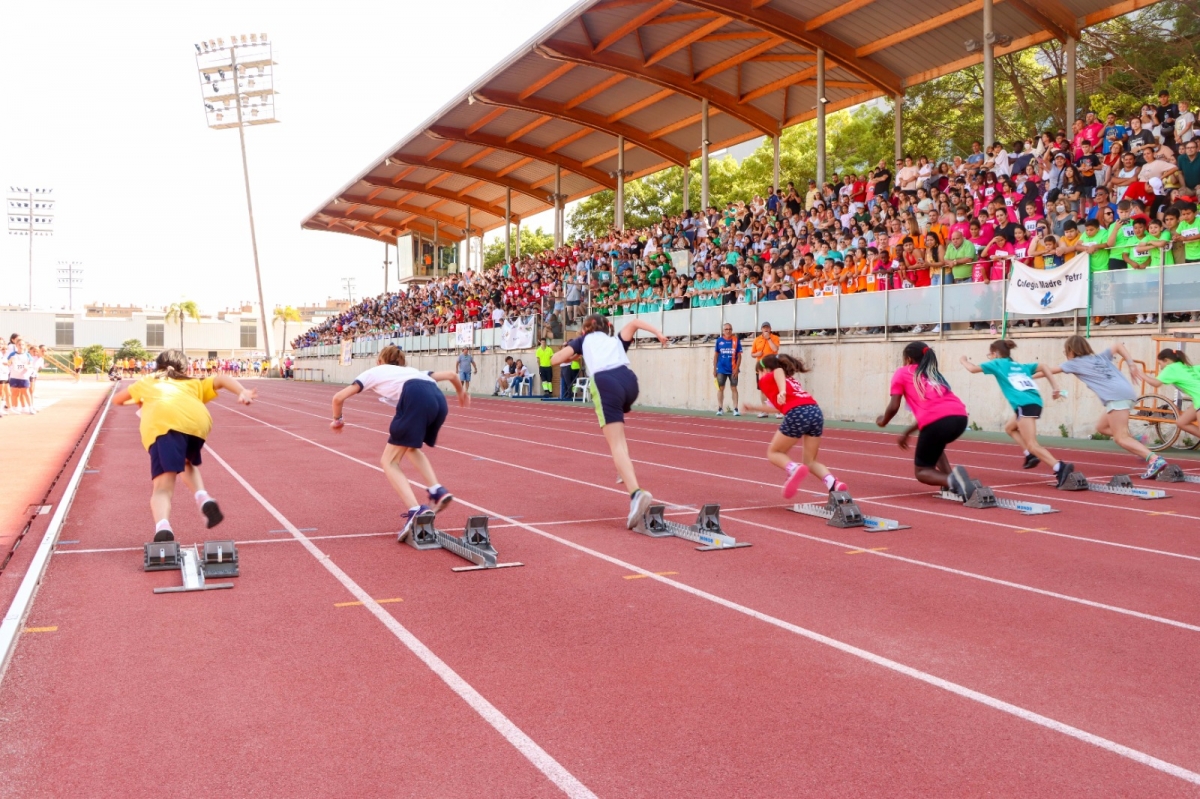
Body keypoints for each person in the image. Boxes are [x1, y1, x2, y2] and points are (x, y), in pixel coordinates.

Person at [111, 349, 256, 542]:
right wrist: (242, 391)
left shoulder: (148, 381)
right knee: (186, 463)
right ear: (184, 367)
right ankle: (203, 498)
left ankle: (163, 527)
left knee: (162, 486)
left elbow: (118, 399)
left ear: (157, 366)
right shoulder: (192, 383)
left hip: (164, 424)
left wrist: (142, 400)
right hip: (197, 424)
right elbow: (220, 378)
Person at [330, 344, 468, 538]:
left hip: (415, 397)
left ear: (379, 361)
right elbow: (452, 376)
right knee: (410, 448)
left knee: (389, 461)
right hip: (438, 401)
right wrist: (461, 393)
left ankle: (415, 510)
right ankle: (437, 490)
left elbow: (338, 398)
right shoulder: (413, 371)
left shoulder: (375, 371)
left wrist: (338, 420)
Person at [551, 314, 668, 529]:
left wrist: (573, 355)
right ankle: (623, 470)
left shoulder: (583, 340)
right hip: (629, 382)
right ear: (607, 328)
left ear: (587, 329)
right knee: (620, 441)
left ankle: (636, 494)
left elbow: (555, 360)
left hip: (606, 384)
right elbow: (634, 322)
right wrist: (658, 333)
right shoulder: (616, 341)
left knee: (616, 445)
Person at [1041, 336, 1169, 479]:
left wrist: (1026, 376)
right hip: (1126, 392)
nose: (1066, 355)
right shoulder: (1100, 357)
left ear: (1071, 350)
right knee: (1101, 427)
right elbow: (1118, 345)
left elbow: (1048, 370)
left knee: (1120, 438)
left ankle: (1154, 459)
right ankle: (1137, 440)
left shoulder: (1074, 363)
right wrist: (1131, 364)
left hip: (1115, 397)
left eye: (1066, 352)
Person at [960, 340, 1075, 486]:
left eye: (990, 355)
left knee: (1032, 443)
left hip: (1023, 405)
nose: (989, 357)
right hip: (1035, 402)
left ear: (995, 354)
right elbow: (1044, 366)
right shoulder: (1020, 366)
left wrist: (963, 360)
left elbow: (972, 369)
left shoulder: (997, 363)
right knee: (1010, 428)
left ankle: (1059, 467)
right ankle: (1029, 454)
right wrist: (1055, 387)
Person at [875, 341, 975, 497]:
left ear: (908, 359)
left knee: (922, 471)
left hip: (937, 421)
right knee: (935, 447)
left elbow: (894, 406)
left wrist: (883, 421)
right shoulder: (933, 374)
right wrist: (908, 432)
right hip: (960, 418)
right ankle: (955, 482)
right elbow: (933, 413)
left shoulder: (902, 372)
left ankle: (953, 480)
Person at [740, 354, 846, 498]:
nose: (758, 377)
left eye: (758, 373)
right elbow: (779, 408)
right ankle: (833, 483)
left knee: (774, 453)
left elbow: (778, 372)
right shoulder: (792, 381)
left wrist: (782, 391)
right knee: (810, 461)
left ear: (764, 370)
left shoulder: (769, 378)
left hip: (798, 413)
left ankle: (793, 469)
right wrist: (754, 407)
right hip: (815, 411)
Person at [1132, 349, 1200, 444]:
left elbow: (1156, 383)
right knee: (1181, 423)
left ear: (1166, 360)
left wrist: (1141, 374)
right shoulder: (1185, 366)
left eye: (1160, 364)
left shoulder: (1171, 368)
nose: (1160, 368)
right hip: (1197, 400)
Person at [749, 322, 782, 418]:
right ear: (761, 329)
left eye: (767, 328)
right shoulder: (757, 340)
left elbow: (775, 349)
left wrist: (768, 339)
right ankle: (765, 411)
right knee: (762, 390)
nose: (766, 329)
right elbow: (752, 354)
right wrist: (757, 354)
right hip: (761, 369)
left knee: (775, 389)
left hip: (772, 368)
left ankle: (778, 410)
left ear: (770, 329)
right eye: (764, 328)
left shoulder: (775, 338)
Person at [714, 322, 742, 416]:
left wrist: (737, 369)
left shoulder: (736, 340)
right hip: (721, 369)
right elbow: (716, 355)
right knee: (720, 388)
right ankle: (720, 408)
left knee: (734, 388)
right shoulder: (719, 341)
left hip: (733, 369)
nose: (728, 331)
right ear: (723, 331)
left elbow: (739, 356)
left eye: (730, 329)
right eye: (726, 329)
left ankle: (736, 409)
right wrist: (714, 369)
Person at [6, 340, 35, 415]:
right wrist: (10, 361)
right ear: (16, 345)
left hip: (24, 376)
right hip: (14, 376)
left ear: (24, 346)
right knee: (14, 392)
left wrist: (27, 366)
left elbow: (31, 364)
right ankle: (15, 407)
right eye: (19, 344)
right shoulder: (12, 354)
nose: (21, 346)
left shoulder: (27, 355)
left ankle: (30, 407)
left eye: (22, 344)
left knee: (26, 392)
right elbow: (8, 363)